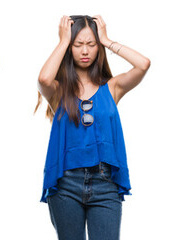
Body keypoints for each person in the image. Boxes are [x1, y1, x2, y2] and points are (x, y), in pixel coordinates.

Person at [36, 15, 150, 240]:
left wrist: (107, 40)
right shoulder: (59, 90)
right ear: (70, 47)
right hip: (66, 183)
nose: (85, 51)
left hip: (105, 182)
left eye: (91, 44)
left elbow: (143, 64)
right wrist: (62, 41)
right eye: (78, 45)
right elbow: (44, 79)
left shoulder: (113, 87)